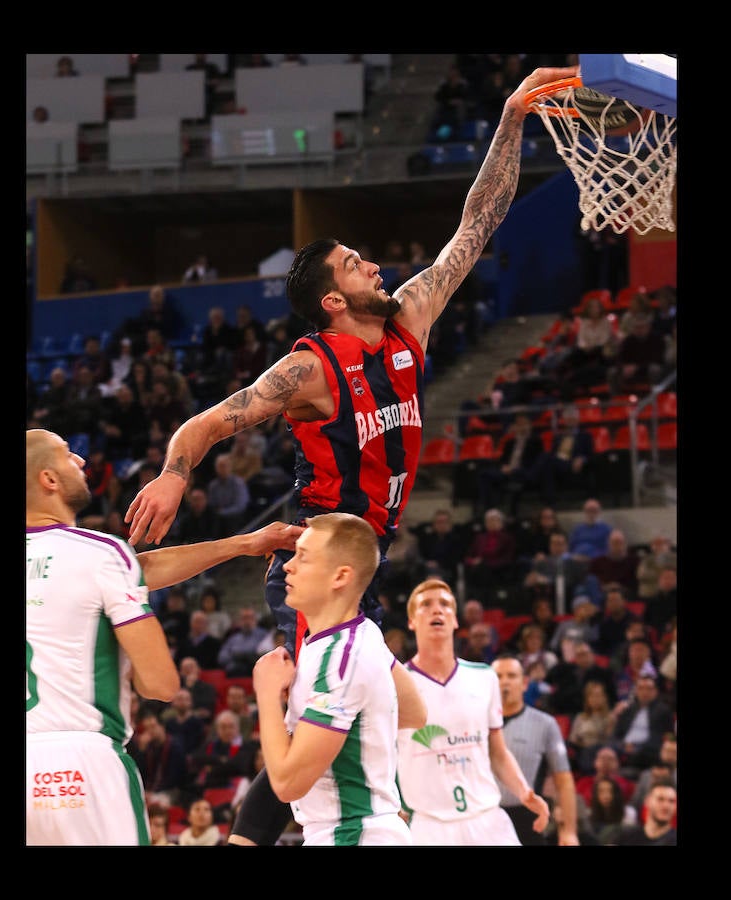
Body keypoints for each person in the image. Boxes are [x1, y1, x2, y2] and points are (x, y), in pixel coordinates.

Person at [124, 62, 580, 846]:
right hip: (315, 562)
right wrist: (173, 472)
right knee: (314, 728)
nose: (373, 263)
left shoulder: (407, 321)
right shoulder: (308, 368)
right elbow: (203, 425)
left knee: (384, 711)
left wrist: (509, 118)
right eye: (353, 263)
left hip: (364, 560)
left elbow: (477, 226)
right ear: (332, 300)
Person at [26, 428, 178, 847]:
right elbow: (161, 684)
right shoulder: (101, 552)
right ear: (49, 480)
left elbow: (146, 568)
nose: (79, 460)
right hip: (82, 766)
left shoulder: (102, 559)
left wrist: (240, 545)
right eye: (65, 454)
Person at [250, 513, 427, 845]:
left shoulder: (340, 660)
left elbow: (288, 784)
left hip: (352, 832)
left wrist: (266, 694)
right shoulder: (361, 634)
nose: (288, 566)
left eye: (304, 556)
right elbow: (415, 711)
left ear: (340, 576)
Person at [397, 578, 549, 845]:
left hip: (487, 819)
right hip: (429, 826)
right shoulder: (397, 683)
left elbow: (497, 752)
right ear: (411, 621)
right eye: (426, 605)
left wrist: (524, 792)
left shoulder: (484, 677)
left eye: (445, 604)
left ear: (455, 621)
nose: (437, 610)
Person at [491, 655, 579, 845]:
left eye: (511, 676)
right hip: (485, 818)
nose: (504, 681)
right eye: (498, 676)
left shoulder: (545, 724)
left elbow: (564, 781)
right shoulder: (475, 723)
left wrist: (569, 831)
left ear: (524, 683)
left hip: (527, 818)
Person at [614, 780, 677, 845]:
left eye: (671, 801)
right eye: (660, 799)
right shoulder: (625, 836)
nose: (666, 806)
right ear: (647, 801)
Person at [217, 606, 270, 677]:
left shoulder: (264, 635)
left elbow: (268, 653)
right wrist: (235, 656)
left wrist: (247, 656)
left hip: (257, 672)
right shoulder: (233, 638)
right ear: (239, 621)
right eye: (244, 618)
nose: (247, 621)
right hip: (236, 672)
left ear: (255, 619)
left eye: (250, 617)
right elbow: (221, 658)